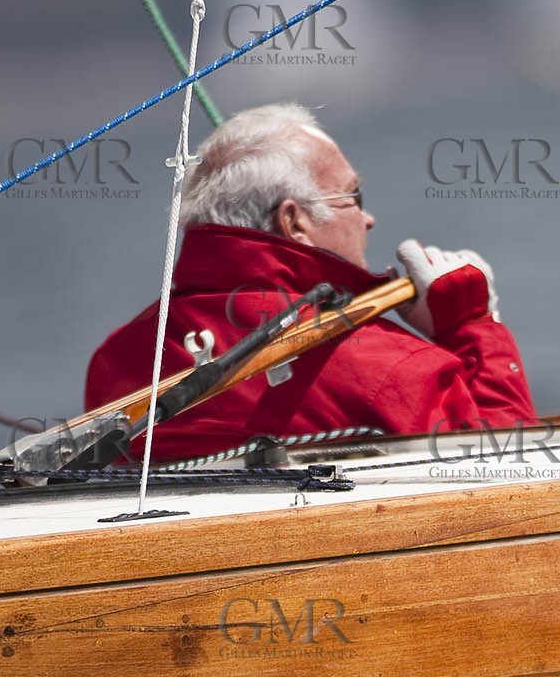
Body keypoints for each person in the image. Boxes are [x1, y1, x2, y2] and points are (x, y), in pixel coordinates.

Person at [86, 103, 536, 462]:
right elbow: (508, 478)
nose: (368, 218)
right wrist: (473, 325)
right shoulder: (395, 368)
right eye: (354, 197)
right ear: (294, 222)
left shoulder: (116, 359)